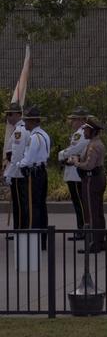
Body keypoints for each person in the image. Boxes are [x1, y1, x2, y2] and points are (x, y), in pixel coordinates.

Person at [71, 116, 107, 253]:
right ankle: (100, 240)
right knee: (98, 211)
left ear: (92, 131)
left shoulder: (93, 145)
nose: (84, 132)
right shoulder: (95, 143)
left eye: (86, 129)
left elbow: (89, 165)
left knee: (91, 212)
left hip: (91, 180)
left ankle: (94, 243)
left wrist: (76, 162)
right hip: (98, 178)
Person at [19, 107, 50, 246]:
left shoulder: (34, 137)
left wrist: (19, 164)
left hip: (33, 173)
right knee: (41, 206)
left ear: (31, 122)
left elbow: (29, 159)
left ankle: (34, 240)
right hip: (42, 172)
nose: (24, 124)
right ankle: (42, 239)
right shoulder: (44, 134)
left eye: (26, 121)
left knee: (32, 208)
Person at [58, 108, 90, 238]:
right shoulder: (81, 132)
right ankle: (82, 228)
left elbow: (74, 149)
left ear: (82, 120)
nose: (72, 121)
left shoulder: (80, 133)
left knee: (79, 203)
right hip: (75, 172)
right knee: (79, 203)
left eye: (75, 119)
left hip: (75, 173)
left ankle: (83, 229)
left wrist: (61, 154)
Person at [5, 103, 28, 232]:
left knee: (19, 204)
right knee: (20, 203)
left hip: (18, 173)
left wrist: (10, 173)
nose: (8, 117)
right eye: (7, 114)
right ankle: (20, 229)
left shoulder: (19, 130)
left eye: (11, 114)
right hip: (19, 171)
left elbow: (17, 156)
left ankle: (19, 230)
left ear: (19, 114)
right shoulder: (18, 129)